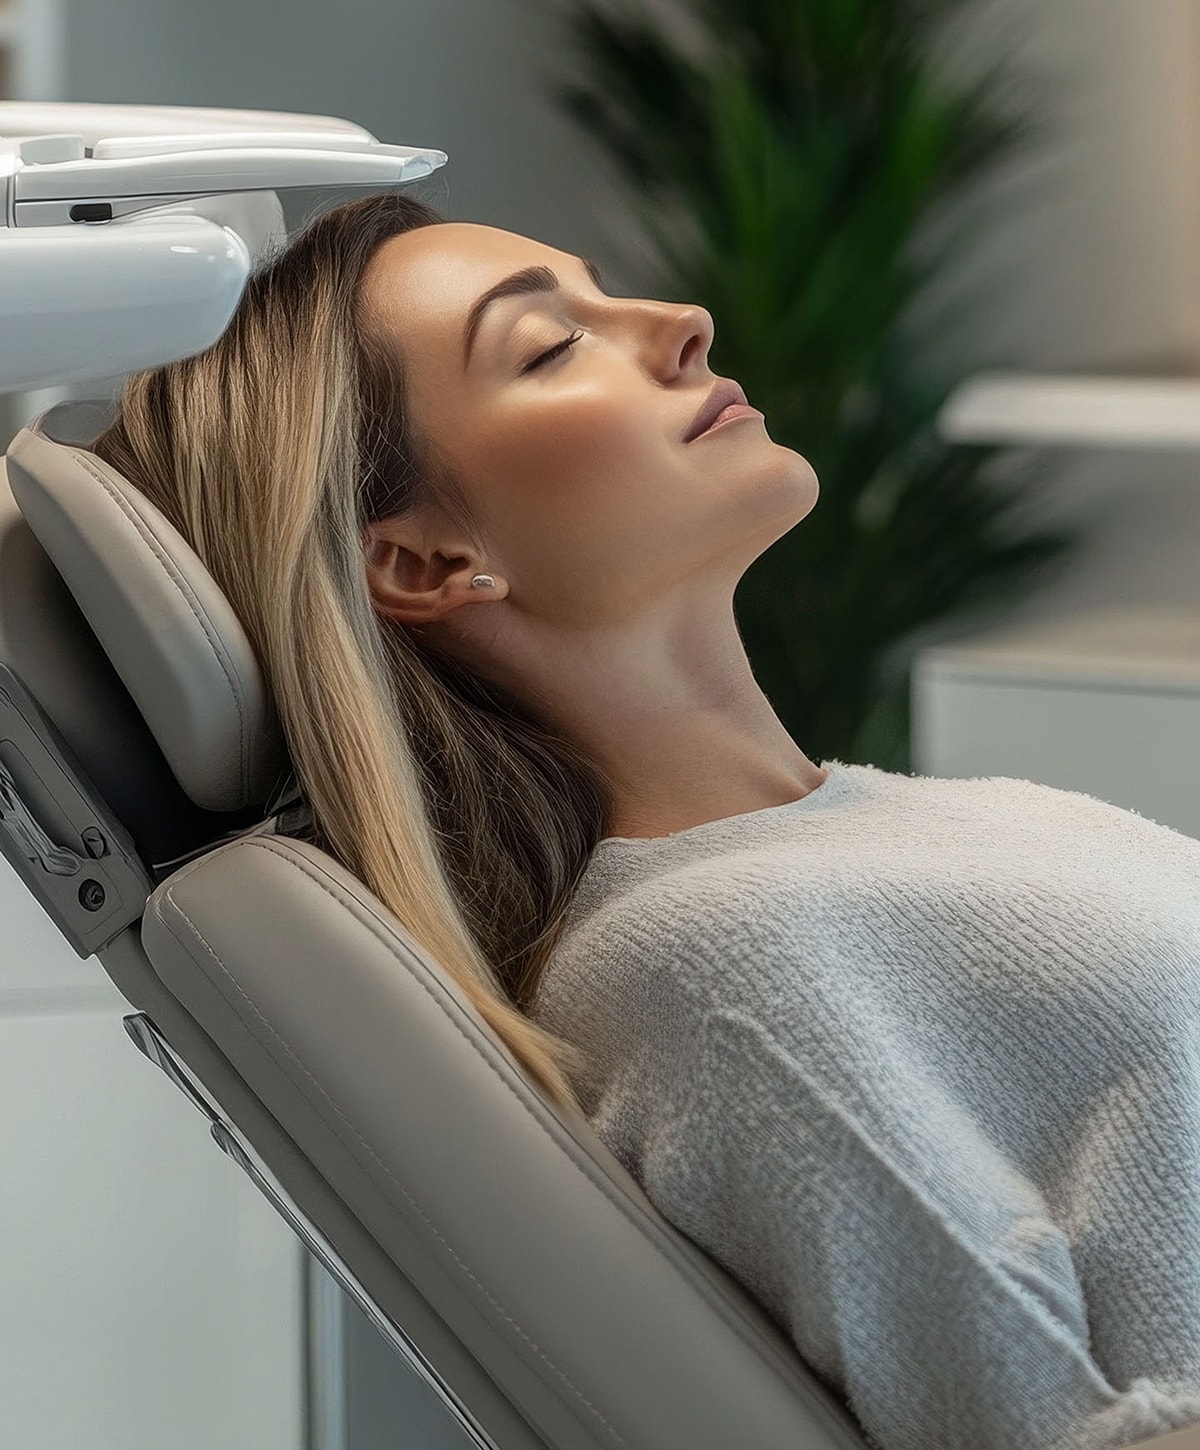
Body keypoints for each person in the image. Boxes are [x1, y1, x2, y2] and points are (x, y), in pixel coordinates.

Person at [90, 192, 1200, 1450]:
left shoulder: (879, 827)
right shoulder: (720, 961)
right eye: (551, 345)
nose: (682, 320)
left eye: (606, 286)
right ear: (423, 561)